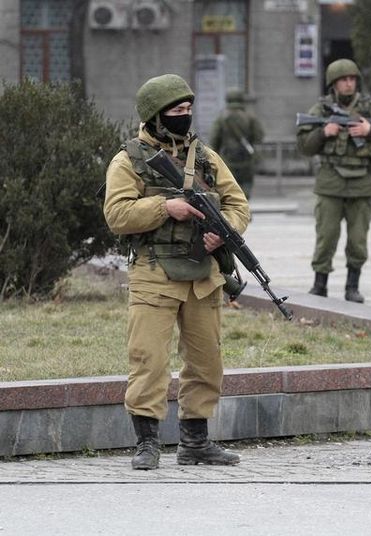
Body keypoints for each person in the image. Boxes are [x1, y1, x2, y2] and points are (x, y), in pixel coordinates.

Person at [103, 74, 250, 470]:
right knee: (149, 359)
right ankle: (147, 443)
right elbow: (116, 214)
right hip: (154, 274)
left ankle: (195, 443)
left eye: (188, 110)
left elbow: (238, 204)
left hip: (202, 275)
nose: (185, 117)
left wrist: (225, 234)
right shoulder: (129, 159)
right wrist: (165, 208)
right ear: (155, 117)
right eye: (176, 112)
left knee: (206, 360)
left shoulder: (205, 157)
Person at [296, 58, 371, 303]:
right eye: (343, 80)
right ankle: (320, 285)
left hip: (362, 181)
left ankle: (353, 285)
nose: (349, 84)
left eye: (352, 79)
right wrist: (323, 132)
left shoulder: (370, 109)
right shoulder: (321, 110)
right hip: (330, 181)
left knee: (358, 239)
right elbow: (304, 146)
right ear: (334, 84)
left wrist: (369, 131)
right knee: (326, 236)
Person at [209, 88, 264, 199]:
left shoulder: (222, 118)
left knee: (229, 191)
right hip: (246, 160)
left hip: (227, 161)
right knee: (245, 189)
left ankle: (234, 214)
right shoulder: (250, 117)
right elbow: (259, 136)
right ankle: (245, 212)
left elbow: (214, 139)